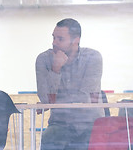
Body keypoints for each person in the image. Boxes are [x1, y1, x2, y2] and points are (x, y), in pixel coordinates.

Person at [35, 18, 103, 150]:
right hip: (59, 124)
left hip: (89, 123)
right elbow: (45, 99)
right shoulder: (43, 59)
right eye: (53, 37)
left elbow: (85, 98)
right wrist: (56, 70)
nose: (54, 42)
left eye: (60, 39)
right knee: (50, 137)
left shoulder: (93, 57)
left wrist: (52, 102)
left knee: (94, 140)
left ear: (76, 40)